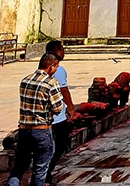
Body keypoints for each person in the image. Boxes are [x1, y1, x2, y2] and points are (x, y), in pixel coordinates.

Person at [7, 54, 65, 186]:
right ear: (51, 66)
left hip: (23, 130)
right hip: (41, 131)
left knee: (19, 167)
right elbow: (57, 108)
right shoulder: (51, 83)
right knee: (40, 169)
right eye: (56, 67)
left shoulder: (26, 80)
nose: (56, 70)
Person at [45, 41, 76, 183]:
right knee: (60, 144)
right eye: (62, 49)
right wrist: (70, 108)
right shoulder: (59, 70)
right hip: (57, 116)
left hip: (42, 117)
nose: (64, 52)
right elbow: (64, 91)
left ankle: (45, 173)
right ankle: (46, 172)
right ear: (57, 51)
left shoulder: (40, 68)